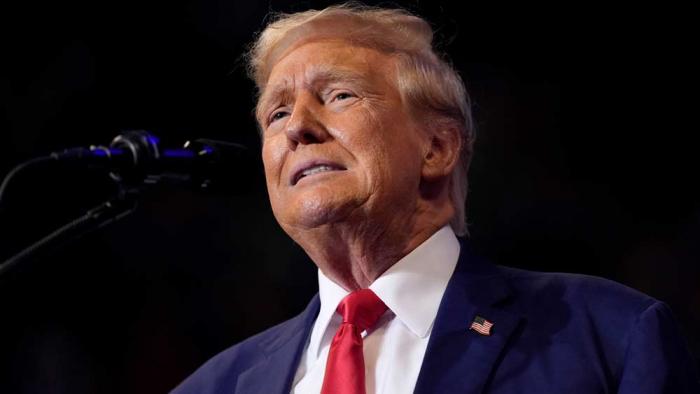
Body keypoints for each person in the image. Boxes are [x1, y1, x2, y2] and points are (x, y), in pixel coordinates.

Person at [171, 4, 699, 393]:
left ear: (437, 147)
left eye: (339, 95)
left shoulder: (610, 338)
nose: (298, 128)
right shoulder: (211, 386)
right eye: (277, 113)